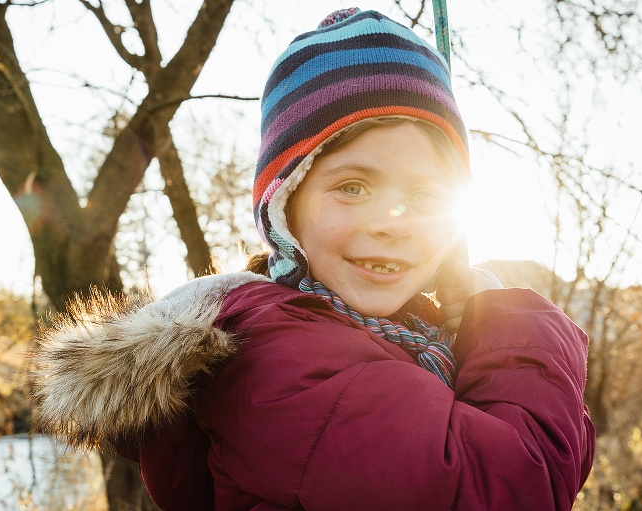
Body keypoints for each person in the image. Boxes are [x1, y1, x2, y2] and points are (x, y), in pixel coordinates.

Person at [30, 8, 595, 510]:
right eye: (352, 187)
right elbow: (523, 484)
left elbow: (564, 447)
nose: (390, 222)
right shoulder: (278, 359)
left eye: (424, 196)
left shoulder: (411, 332)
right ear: (286, 209)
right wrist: (509, 321)